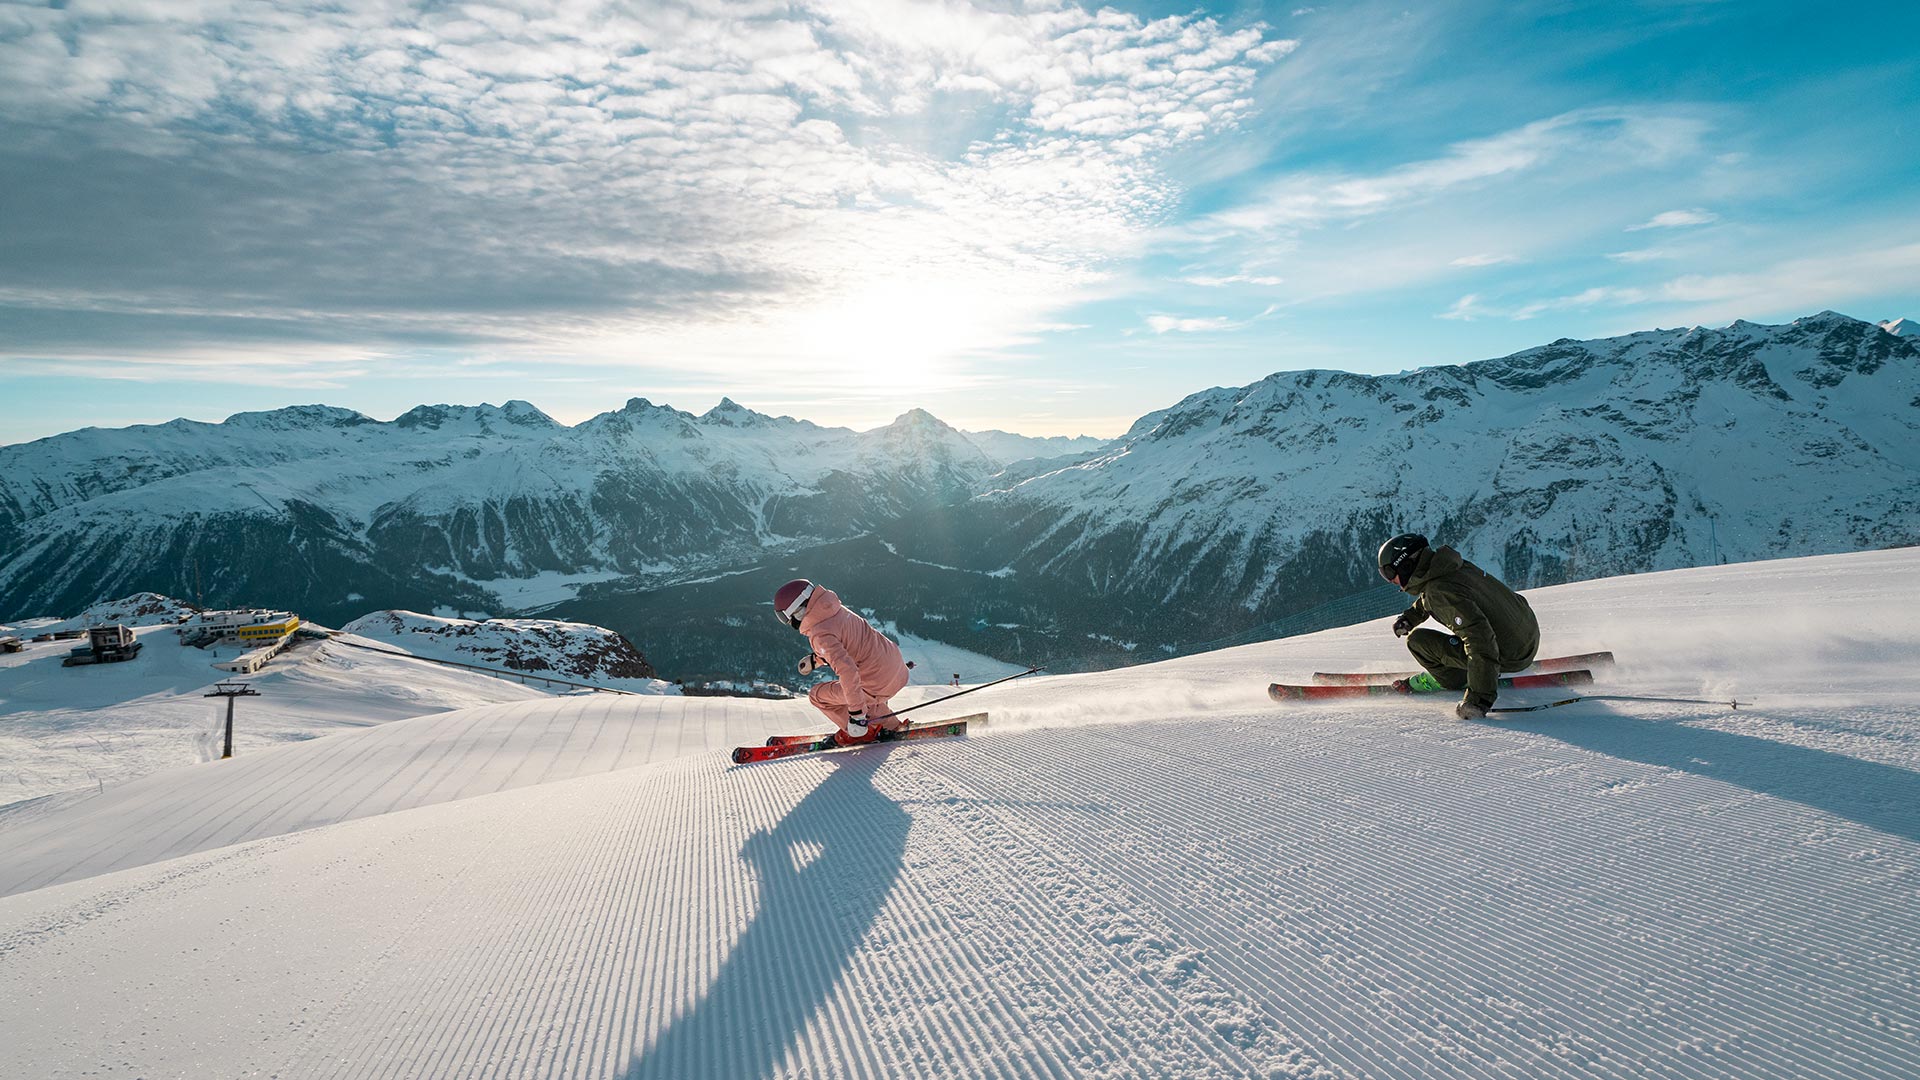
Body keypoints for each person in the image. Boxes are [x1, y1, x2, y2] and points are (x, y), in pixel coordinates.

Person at [1378, 534, 1539, 720]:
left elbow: (1480, 639)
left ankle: (1457, 679)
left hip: (1510, 656)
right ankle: (1484, 667)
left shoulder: (1438, 592)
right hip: (1528, 635)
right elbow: (1440, 594)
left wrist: (1478, 700)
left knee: (1418, 642)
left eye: (1388, 573)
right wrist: (1411, 617)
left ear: (1405, 565)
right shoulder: (1450, 566)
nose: (1389, 580)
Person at [773, 578, 913, 745]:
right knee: (864, 692)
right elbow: (851, 643)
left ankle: (861, 733)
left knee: (817, 696)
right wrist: (816, 659)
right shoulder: (834, 609)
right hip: (897, 671)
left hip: (877, 684)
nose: (788, 623)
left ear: (796, 611)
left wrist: (857, 715)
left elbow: (847, 671)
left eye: (785, 617)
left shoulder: (820, 634)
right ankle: (892, 725)